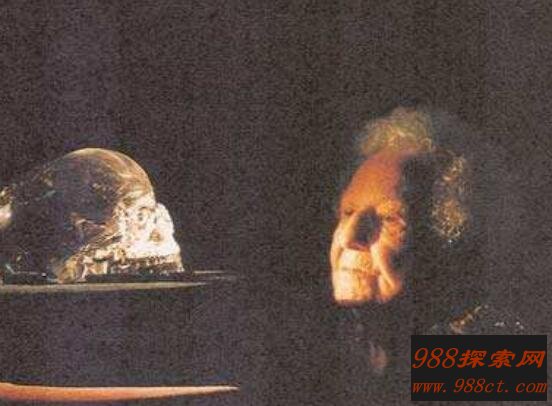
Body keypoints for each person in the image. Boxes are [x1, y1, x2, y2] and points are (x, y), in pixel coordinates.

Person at [328, 106, 527, 405]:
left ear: (448, 238)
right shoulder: (311, 345)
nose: (348, 238)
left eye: (390, 218)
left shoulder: (499, 360)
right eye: (347, 212)